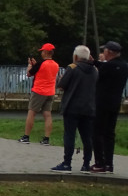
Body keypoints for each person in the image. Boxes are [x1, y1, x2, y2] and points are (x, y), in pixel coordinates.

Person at [51, 45, 98, 172]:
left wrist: (61, 80)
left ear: (76, 57)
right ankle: (86, 164)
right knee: (87, 137)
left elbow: (61, 86)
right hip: (89, 108)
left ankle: (67, 163)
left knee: (69, 135)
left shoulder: (72, 68)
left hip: (72, 107)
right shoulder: (95, 70)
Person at [91, 40, 128, 173]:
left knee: (97, 132)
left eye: (105, 50)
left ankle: (99, 162)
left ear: (109, 52)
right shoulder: (124, 66)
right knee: (109, 134)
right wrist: (95, 61)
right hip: (115, 103)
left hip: (102, 103)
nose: (103, 53)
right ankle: (109, 163)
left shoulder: (108, 67)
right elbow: (104, 66)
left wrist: (93, 62)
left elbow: (99, 73)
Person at [20, 42, 59, 144]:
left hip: (39, 91)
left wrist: (30, 65)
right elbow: (42, 71)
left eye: (42, 51)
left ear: (46, 52)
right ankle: (46, 139)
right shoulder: (56, 65)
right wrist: (35, 64)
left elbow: (29, 73)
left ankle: (26, 136)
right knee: (47, 115)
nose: (41, 53)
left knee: (31, 112)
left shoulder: (41, 64)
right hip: (50, 92)